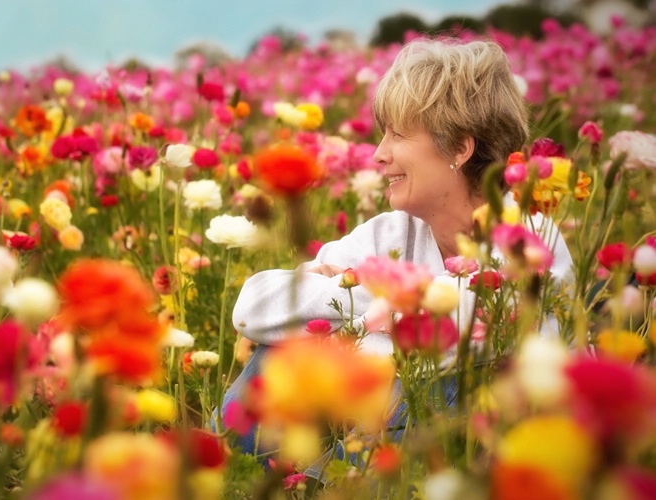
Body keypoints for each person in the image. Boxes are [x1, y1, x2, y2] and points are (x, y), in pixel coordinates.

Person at [223, 38, 574, 465]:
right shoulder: (393, 232)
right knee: (278, 352)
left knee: (432, 378)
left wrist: (349, 312)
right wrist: (378, 303)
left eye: (398, 134)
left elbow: (461, 339)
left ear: (460, 148)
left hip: (501, 455)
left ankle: (328, 484)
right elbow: (253, 308)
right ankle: (275, 478)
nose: (378, 153)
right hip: (375, 440)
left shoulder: (530, 236)